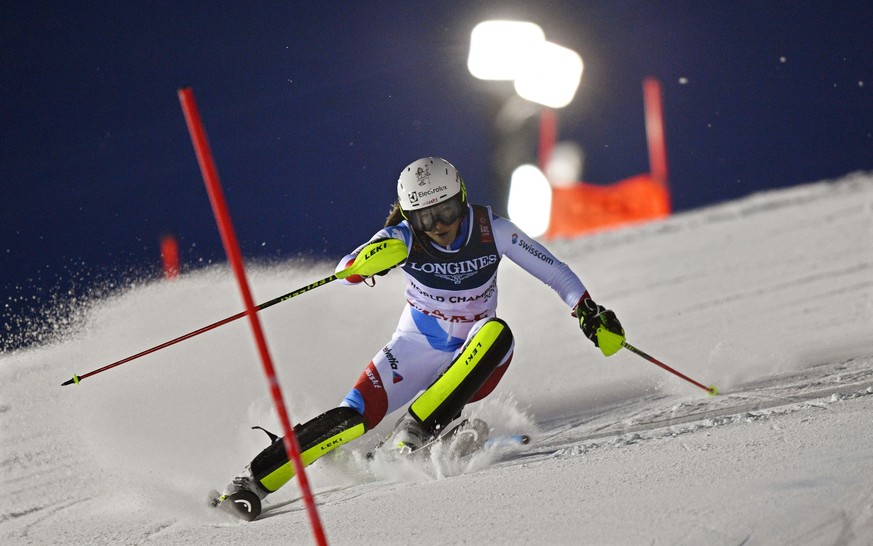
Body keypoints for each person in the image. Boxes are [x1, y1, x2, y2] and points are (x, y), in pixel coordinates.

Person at [217, 157, 625, 507]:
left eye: (447, 210)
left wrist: (586, 310)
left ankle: (413, 432)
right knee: (352, 417)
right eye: (427, 217)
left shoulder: (492, 229)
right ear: (411, 216)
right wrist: (371, 260)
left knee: (497, 333)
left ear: (461, 197)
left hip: (477, 355)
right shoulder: (403, 237)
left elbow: (553, 270)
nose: (440, 225)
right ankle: (251, 482)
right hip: (414, 347)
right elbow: (346, 270)